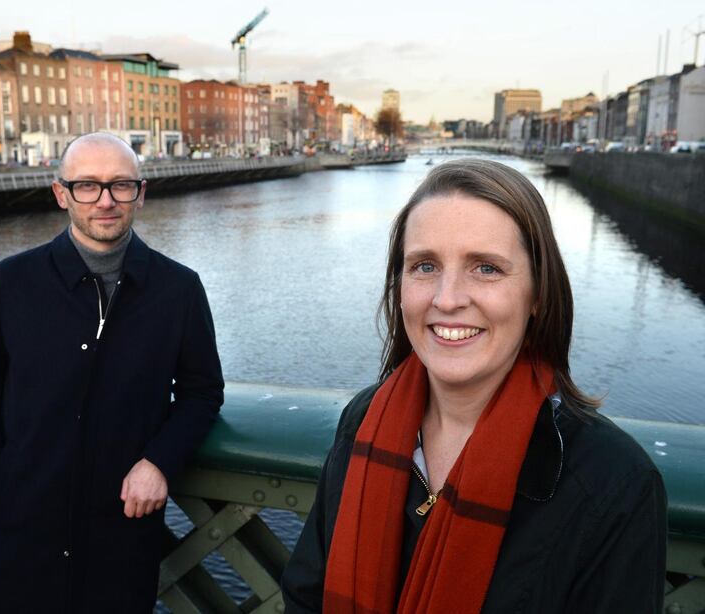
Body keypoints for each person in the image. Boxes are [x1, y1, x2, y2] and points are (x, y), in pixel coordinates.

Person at [281, 159, 667, 613]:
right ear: (400, 285)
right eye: (424, 266)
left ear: (539, 294)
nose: (447, 299)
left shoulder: (613, 483)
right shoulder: (363, 421)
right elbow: (306, 596)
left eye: (485, 268)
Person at [0, 132, 224, 613]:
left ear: (140, 193)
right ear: (61, 194)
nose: (105, 201)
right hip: (22, 532)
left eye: (120, 185)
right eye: (87, 186)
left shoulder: (178, 289)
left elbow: (202, 392)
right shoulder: (10, 281)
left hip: (118, 535)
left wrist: (159, 461)